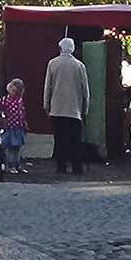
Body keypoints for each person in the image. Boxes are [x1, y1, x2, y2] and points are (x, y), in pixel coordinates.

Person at [43, 37, 89, 174]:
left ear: (60, 48)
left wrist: (46, 105)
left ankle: (61, 166)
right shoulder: (80, 66)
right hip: (74, 109)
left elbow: (48, 87)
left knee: (60, 139)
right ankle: (77, 167)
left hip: (57, 108)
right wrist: (85, 108)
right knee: (75, 139)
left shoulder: (52, 64)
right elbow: (85, 89)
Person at [0, 78, 29, 174]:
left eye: (16, 91)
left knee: (17, 147)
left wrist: (24, 124)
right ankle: (11, 165)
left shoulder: (19, 101)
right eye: (13, 91)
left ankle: (17, 164)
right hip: (9, 127)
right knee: (11, 147)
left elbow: (22, 113)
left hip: (18, 127)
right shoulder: (5, 100)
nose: (14, 93)